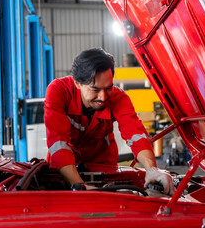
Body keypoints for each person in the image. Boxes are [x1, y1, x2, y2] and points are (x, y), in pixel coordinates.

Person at [44, 48, 175, 195]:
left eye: (109, 88)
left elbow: (135, 134)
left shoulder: (119, 98)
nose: (103, 97)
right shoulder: (58, 91)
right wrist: (79, 185)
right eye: (95, 89)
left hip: (103, 165)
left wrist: (152, 170)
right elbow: (58, 141)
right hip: (63, 166)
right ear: (77, 83)